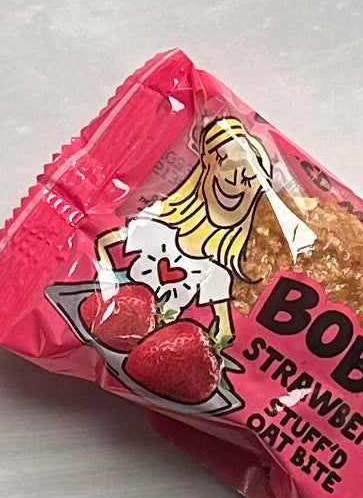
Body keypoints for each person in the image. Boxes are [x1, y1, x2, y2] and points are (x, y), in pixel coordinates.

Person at [95, 116, 283, 345]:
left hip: (162, 348)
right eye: (228, 166)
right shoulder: (157, 231)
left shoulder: (219, 273)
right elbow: (105, 241)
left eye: (246, 180)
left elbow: (225, 331)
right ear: (208, 163)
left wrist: (199, 349)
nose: (234, 183)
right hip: (115, 320)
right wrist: (107, 286)